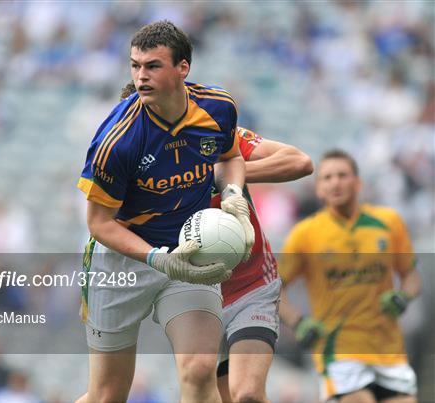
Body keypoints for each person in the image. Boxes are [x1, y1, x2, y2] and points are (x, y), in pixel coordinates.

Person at [76, 20, 254, 402]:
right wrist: (157, 259)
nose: (141, 76)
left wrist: (234, 192)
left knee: (200, 368)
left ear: (182, 67)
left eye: (153, 66)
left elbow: (231, 156)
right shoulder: (117, 141)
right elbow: (98, 223)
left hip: (192, 252)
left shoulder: (219, 108)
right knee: (107, 395)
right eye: (135, 66)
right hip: (123, 261)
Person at [279, 150, 421, 402]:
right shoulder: (305, 234)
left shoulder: (389, 223)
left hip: (388, 350)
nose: (335, 182)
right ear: (319, 189)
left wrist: (403, 296)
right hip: (338, 351)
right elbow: (276, 289)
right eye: (327, 178)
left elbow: (411, 277)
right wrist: (298, 322)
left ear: (358, 182)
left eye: (342, 175)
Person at [212, 127, 313, 403]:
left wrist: (228, 175)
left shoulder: (216, 131)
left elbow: (300, 161)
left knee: (247, 395)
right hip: (192, 294)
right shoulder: (142, 149)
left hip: (250, 287)